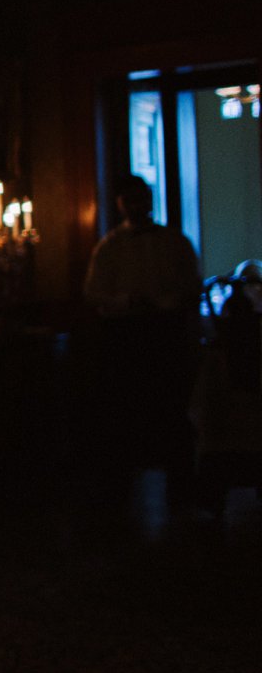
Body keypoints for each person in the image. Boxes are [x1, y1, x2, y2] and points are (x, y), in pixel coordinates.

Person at [81, 174, 202, 484]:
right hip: (126, 335)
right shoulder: (109, 247)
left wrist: (165, 303)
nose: (137, 205)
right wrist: (128, 301)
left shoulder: (174, 242)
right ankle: (129, 475)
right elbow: (93, 292)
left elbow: (192, 285)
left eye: (142, 198)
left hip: (166, 331)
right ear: (120, 204)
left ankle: (180, 477)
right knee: (130, 405)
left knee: (172, 405)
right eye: (130, 199)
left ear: (150, 200)